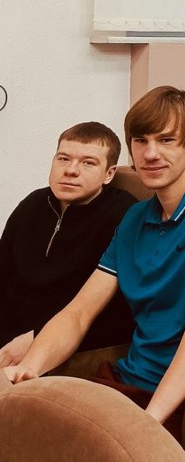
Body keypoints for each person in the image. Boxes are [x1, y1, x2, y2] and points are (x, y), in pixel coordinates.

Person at [3, 86, 185, 441]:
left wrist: (149, 421)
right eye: (140, 141)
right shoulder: (134, 218)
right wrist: (27, 370)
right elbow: (79, 313)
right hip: (127, 382)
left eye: (166, 140)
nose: (150, 153)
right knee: (23, 429)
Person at [0, 122, 136, 366]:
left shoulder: (124, 214)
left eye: (88, 163)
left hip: (69, 345)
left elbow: (115, 311)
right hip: (9, 334)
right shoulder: (33, 204)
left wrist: (38, 338)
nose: (71, 170)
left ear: (109, 174)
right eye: (63, 159)